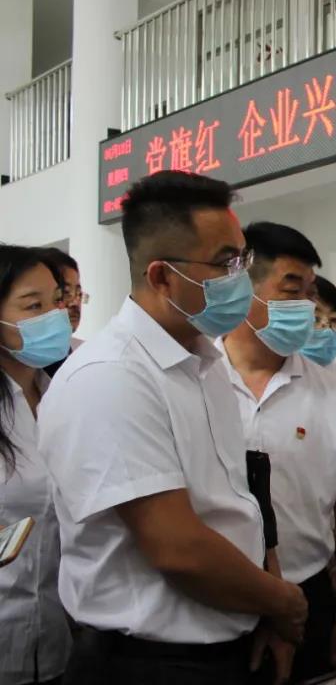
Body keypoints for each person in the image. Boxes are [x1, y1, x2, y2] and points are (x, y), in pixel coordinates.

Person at [38, 172, 307, 685]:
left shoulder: (204, 362)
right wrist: (284, 601)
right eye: (226, 263)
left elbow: (239, 501)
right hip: (147, 663)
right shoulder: (111, 377)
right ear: (162, 277)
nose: (241, 279)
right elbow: (178, 548)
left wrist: (267, 609)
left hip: (230, 640)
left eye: (243, 259)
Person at [219, 223, 336, 683]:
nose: (307, 308)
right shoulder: (196, 377)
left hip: (309, 593)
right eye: (292, 290)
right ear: (239, 287)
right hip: (214, 598)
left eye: (311, 293)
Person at [0, 246, 72, 685]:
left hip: (58, 641)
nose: (55, 316)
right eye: (33, 306)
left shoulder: (66, 396)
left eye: (58, 301)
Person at [37, 248, 85, 378]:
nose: (75, 303)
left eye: (78, 293)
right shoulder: (27, 361)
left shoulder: (87, 353)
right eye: (65, 293)